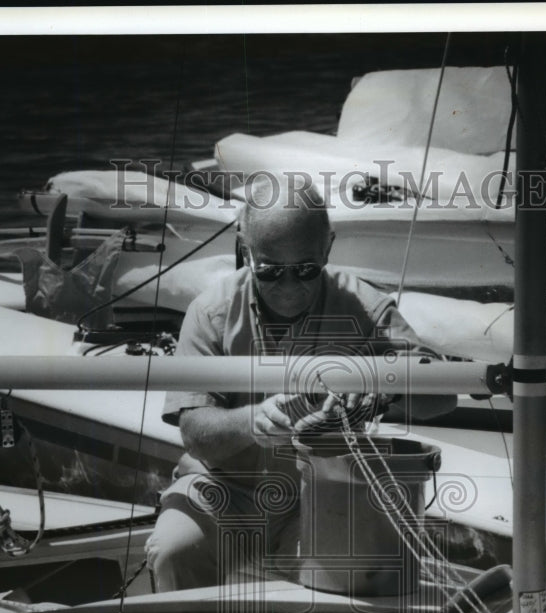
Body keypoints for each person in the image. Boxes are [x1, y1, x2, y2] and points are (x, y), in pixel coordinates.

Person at [144, 176, 457, 590]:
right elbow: (196, 435)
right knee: (173, 552)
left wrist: (381, 387)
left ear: (328, 246)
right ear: (245, 249)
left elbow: (442, 395)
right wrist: (254, 422)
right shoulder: (210, 314)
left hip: (326, 492)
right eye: (271, 272)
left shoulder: (364, 308)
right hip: (224, 489)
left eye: (307, 270)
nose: (289, 288)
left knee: (347, 575)